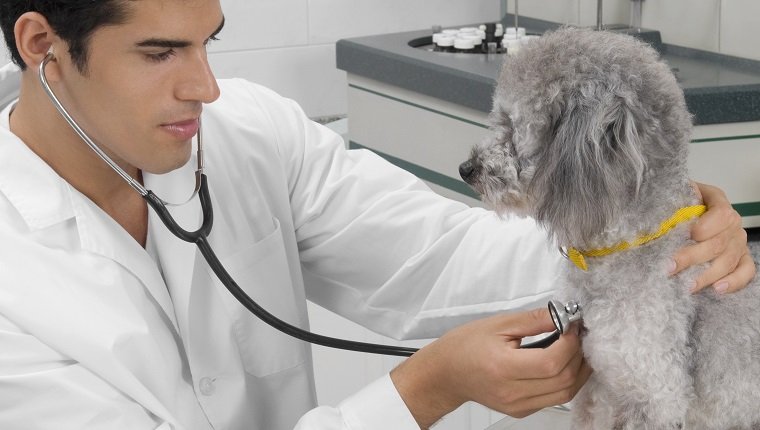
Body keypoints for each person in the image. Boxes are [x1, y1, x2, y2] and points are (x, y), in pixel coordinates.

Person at [0, 1, 753, 429]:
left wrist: (651, 240)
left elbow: (439, 259)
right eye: (161, 53)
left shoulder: (250, 135)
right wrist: (422, 390)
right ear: (44, 47)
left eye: (208, 44)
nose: (208, 88)